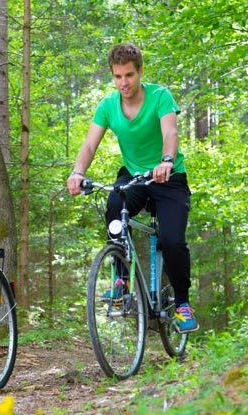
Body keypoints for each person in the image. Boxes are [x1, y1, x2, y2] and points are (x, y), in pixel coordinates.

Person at [66, 43, 198, 333]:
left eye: (128, 75)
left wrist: (166, 160)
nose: (123, 83)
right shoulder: (108, 106)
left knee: (172, 239)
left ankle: (182, 304)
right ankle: (121, 280)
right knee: (115, 206)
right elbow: (89, 144)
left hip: (168, 176)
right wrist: (78, 172)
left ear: (140, 72)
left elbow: (170, 132)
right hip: (135, 176)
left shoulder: (160, 97)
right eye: (117, 76)